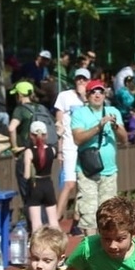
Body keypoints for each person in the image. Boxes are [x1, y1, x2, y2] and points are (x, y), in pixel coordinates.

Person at [70, 79, 126, 237]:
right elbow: (78, 138)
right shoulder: (80, 113)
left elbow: (124, 138)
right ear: (87, 95)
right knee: (89, 214)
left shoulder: (113, 111)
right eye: (93, 92)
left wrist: (116, 126)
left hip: (109, 171)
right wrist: (98, 127)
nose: (97, 95)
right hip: (88, 171)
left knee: (108, 214)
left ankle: (104, 250)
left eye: (100, 91)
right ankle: (90, 251)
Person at [53, 66, 90, 226]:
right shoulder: (64, 96)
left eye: (84, 79)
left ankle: (76, 220)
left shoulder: (92, 98)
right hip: (70, 144)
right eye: (78, 78)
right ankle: (55, 220)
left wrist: (84, 97)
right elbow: (59, 123)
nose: (81, 81)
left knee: (85, 183)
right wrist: (60, 149)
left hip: (87, 144)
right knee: (69, 183)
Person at [19, 121, 59, 230]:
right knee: (53, 221)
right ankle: (58, 244)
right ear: (46, 135)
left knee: (36, 224)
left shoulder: (29, 152)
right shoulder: (52, 150)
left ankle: (38, 245)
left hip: (35, 186)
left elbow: (26, 175)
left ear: (31, 135)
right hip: (48, 185)